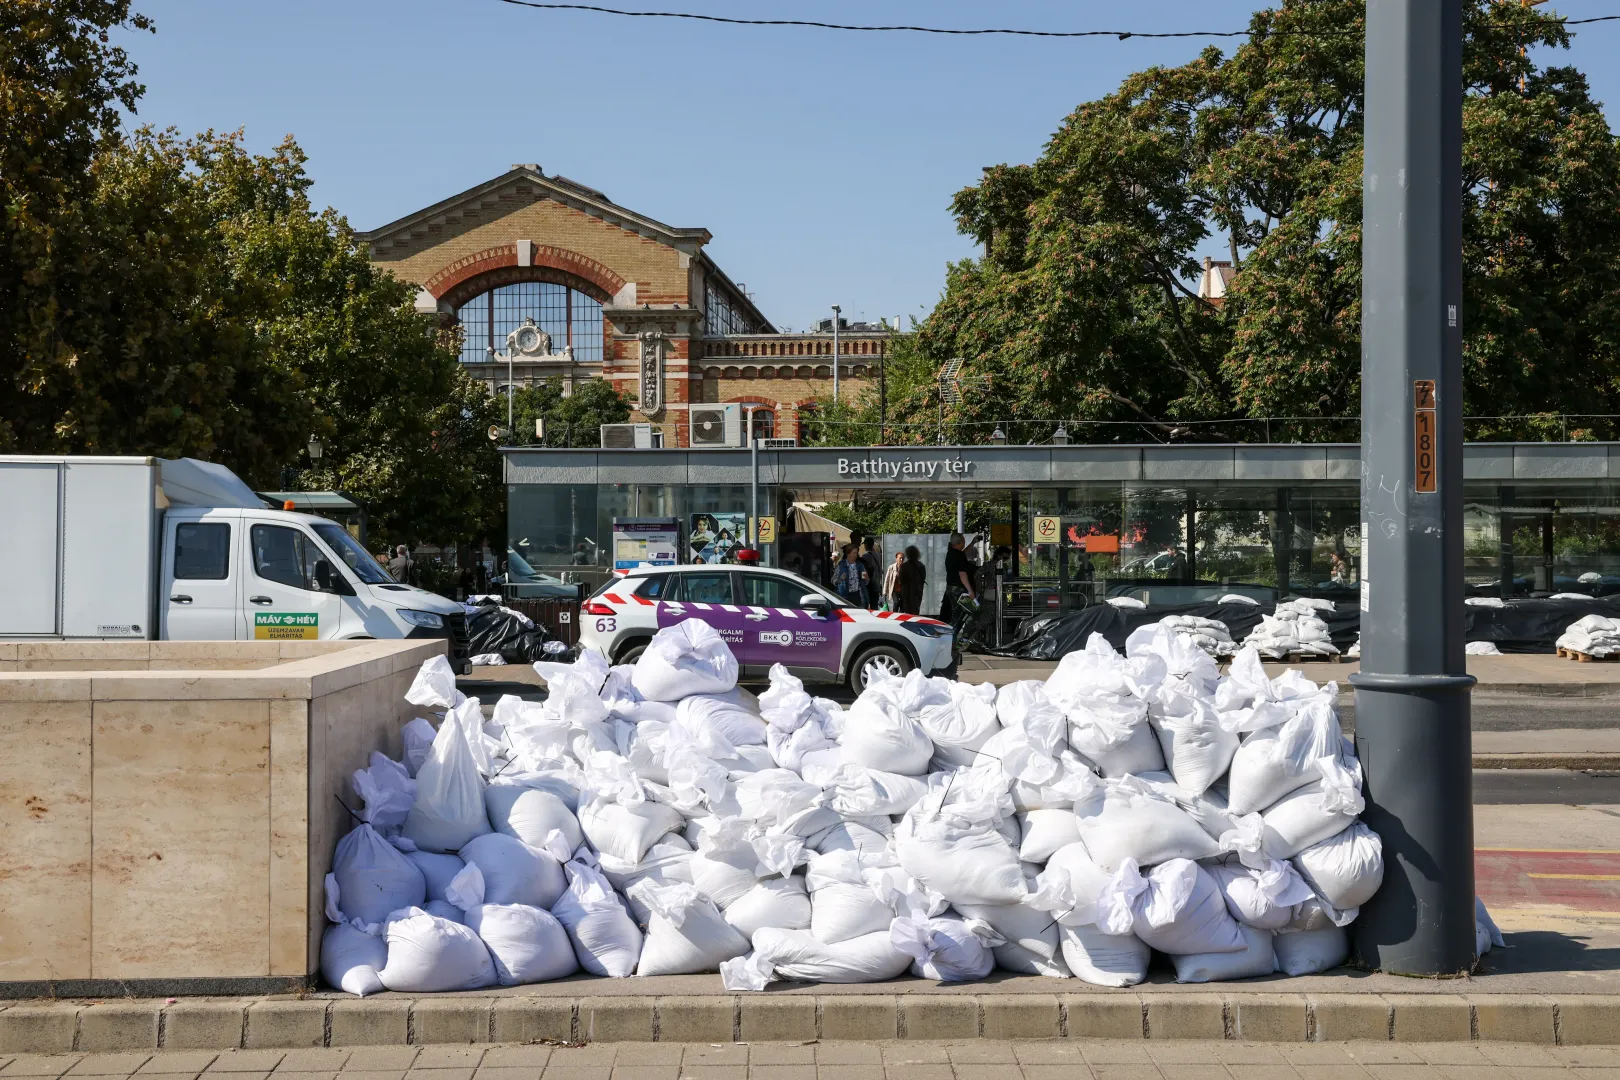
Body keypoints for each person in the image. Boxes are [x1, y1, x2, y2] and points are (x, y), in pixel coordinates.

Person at [940, 532, 975, 623]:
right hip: (959, 590)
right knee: (968, 613)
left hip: (950, 588)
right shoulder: (958, 555)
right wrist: (970, 590)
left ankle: (949, 631)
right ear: (959, 543)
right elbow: (962, 574)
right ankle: (957, 635)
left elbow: (962, 554)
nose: (964, 543)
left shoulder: (951, 552)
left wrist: (972, 543)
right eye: (964, 541)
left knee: (949, 613)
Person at [897, 545, 926, 615]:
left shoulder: (904, 566)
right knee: (916, 609)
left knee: (908, 612)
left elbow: (901, 579)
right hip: (918, 590)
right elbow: (923, 577)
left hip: (906, 591)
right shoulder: (921, 565)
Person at [859, 537, 883, 602]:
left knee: (866, 604)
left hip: (869, 584)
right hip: (877, 584)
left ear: (866, 545)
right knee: (875, 605)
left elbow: (864, 570)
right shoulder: (878, 555)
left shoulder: (865, 556)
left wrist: (863, 583)